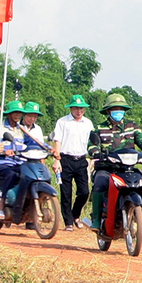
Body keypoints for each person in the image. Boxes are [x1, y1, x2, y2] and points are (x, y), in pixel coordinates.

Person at [87, 94, 142, 232]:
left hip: (128, 168)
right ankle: (96, 219)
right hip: (107, 168)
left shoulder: (131, 126)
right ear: (108, 111)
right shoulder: (99, 128)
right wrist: (96, 152)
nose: (118, 111)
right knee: (100, 183)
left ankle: (138, 217)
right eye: (115, 108)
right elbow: (92, 145)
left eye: (121, 109)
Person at [52, 95, 94, 231]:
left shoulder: (88, 123)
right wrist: (56, 160)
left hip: (81, 160)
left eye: (81, 108)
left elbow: (92, 142)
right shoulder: (62, 122)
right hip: (66, 159)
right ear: (71, 108)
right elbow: (57, 140)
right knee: (66, 192)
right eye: (76, 108)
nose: (79, 111)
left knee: (84, 192)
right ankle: (68, 222)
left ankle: (75, 214)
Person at [0, 101, 26, 220]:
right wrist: (5, 152)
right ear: (8, 114)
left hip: (18, 162)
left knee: (29, 175)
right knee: (12, 174)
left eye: (19, 113)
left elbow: (30, 144)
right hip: (1, 162)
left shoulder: (22, 128)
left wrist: (49, 150)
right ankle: (1, 204)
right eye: (15, 112)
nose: (17, 115)